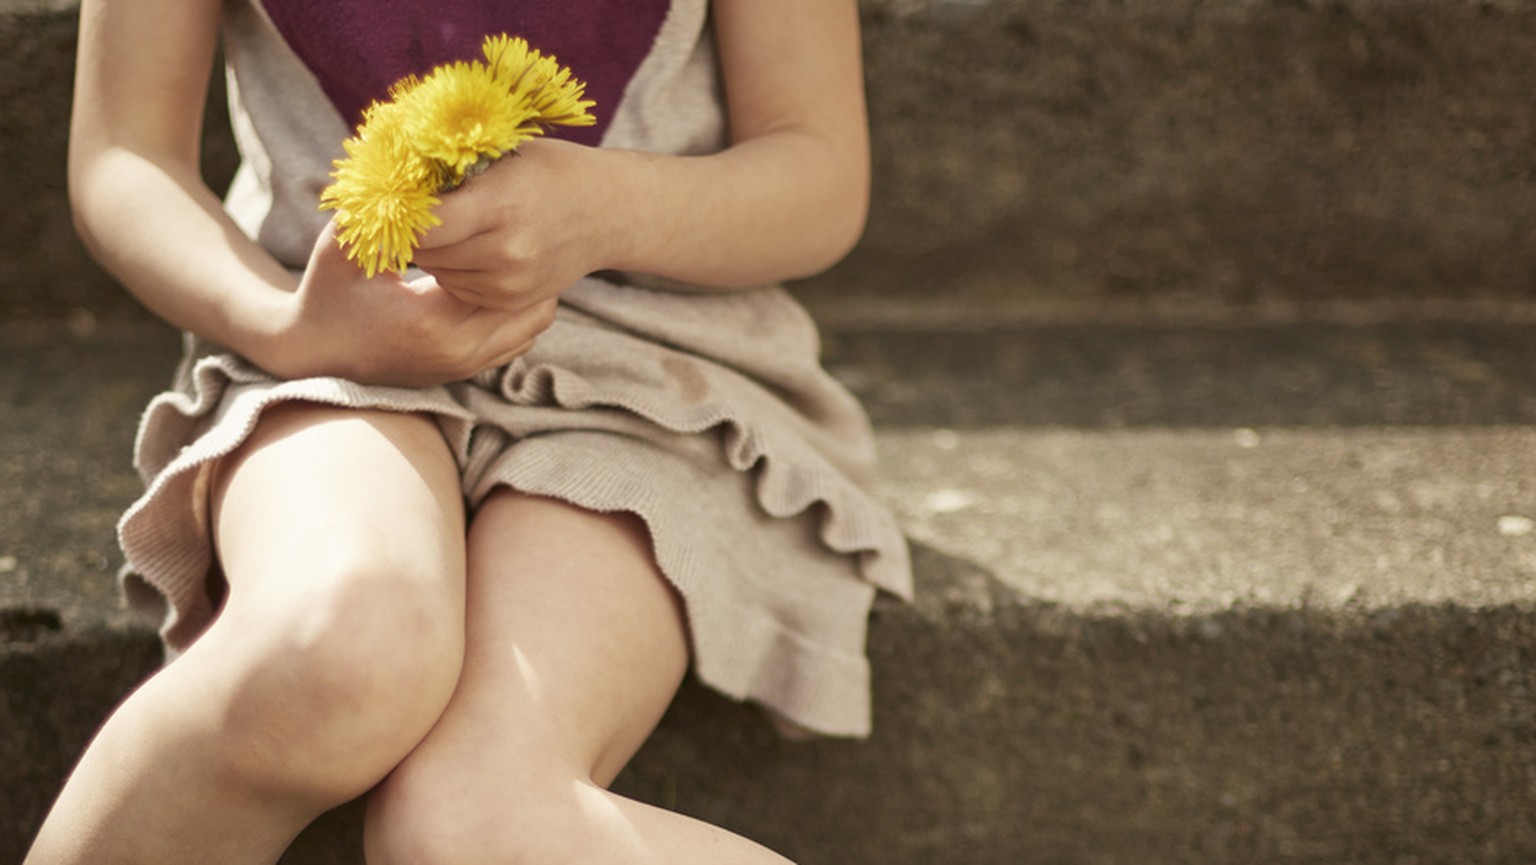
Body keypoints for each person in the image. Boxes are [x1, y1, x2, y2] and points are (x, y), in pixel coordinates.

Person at [27, 0, 911, 862]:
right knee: (335, 647)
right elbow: (123, 153)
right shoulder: (307, 339)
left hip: (654, 383)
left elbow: (821, 172)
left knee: (465, 824)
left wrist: (607, 207)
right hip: (327, 354)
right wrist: (283, 325)